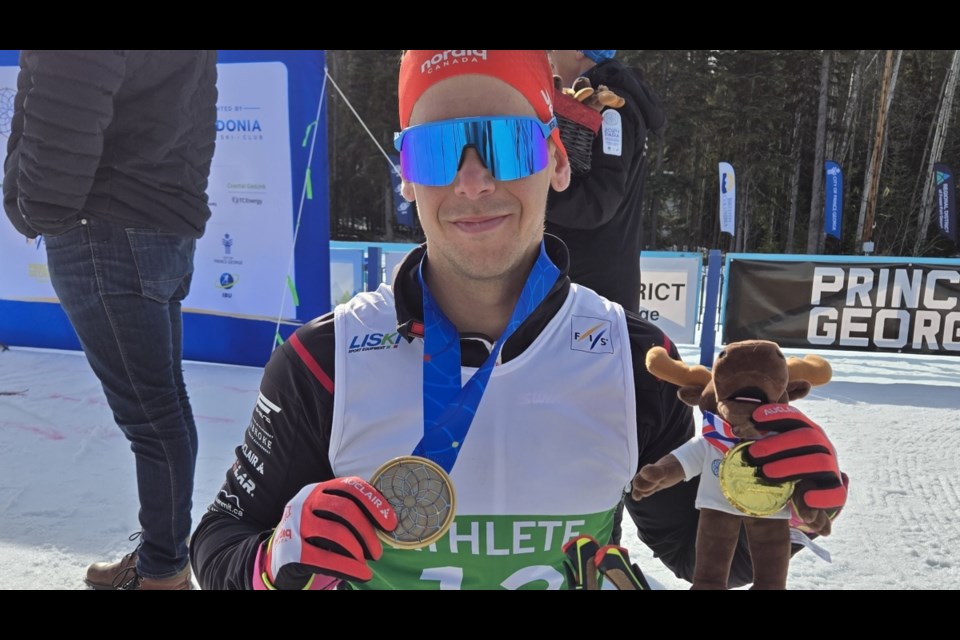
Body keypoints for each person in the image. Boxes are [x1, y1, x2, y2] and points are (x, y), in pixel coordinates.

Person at [189, 50, 846, 590]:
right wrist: (266, 563)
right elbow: (219, 539)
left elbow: (702, 552)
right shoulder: (325, 359)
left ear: (557, 160)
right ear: (407, 178)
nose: (472, 182)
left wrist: (784, 501)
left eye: (505, 145)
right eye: (439, 152)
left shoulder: (633, 359)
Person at [3, 50, 218, 590]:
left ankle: (164, 571)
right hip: (153, 219)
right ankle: (163, 559)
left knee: (154, 415)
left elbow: (67, 92)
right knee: (162, 407)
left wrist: (42, 209)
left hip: (106, 225)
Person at [546, 50, 666, 545]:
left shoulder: (613, 107)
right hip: (569, 286)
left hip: (595, 296)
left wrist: (527, 188)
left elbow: (598, 203)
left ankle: (598, 548)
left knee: (588, 430)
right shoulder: (576, 97)